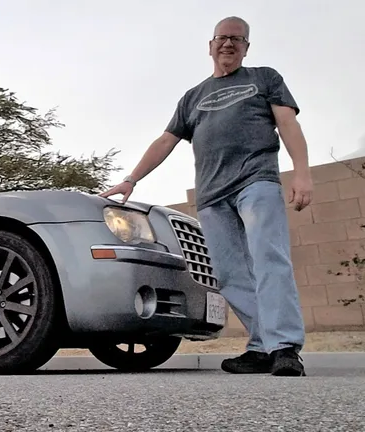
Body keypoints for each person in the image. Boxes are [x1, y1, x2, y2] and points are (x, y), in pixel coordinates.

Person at [99, 16, 311, 376]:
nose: (229, 44)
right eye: (223, 38)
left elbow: (288, 122)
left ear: (246, 47)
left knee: (268, 258)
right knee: (229, 274)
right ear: (211, 45)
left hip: (256, 181)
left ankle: (286, 346)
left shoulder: (264, 78)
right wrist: (131, 179)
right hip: (212, 196)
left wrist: (302, 172)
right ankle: (262, 345)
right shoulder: (193, 97)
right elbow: (165, 141)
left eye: (238, 39)